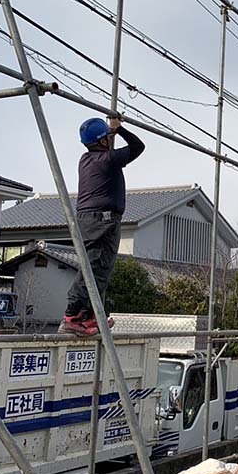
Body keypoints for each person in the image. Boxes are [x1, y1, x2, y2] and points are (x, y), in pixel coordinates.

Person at [60, 116, 145, 336]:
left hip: (95, 219)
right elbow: (138, 147)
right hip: (101, 220)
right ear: (102, 140)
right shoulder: (105, 160)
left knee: (100, 268)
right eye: (107, 136)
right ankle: (72, 314)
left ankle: (90, 316)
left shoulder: (86, 159)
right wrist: (120, 129)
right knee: (94, 267)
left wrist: (111, 133)